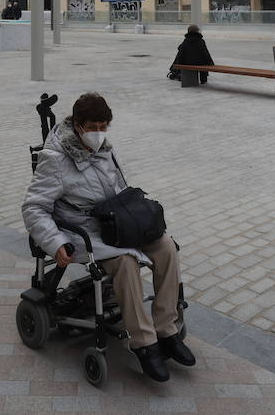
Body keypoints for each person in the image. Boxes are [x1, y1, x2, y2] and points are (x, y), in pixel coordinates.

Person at [22, 93, 193, 383]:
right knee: (125, 263)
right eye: (93, 127)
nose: (99, 133)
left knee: (165, 247)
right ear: (78, 125)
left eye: (104, 126)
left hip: (115, 223)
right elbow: (33, 207)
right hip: (82, 232)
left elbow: (120, 190)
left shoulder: (106, 149)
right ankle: (144, 343)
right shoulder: (55, 159)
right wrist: (54, 242)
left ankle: (166, 329)